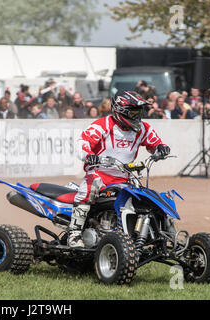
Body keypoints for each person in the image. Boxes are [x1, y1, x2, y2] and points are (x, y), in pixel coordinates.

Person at [68, 90, 170, 247]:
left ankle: (143, 235)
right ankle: (74, 234)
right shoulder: (103, 125)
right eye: (133, 111)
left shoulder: (142, 128)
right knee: (88, 188)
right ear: (120, 110)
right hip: (100, 173)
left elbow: (154, 143)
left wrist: (161, 148)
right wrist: (88, 155)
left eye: (139, 111)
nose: (137, 115)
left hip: (125, 177)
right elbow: (82, 142)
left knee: (146, 199)